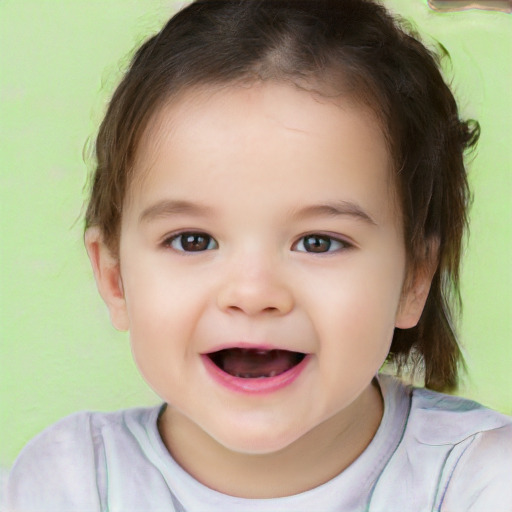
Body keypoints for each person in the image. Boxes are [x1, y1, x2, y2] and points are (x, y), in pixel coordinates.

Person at [6, 0, 512, 510]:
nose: (253, 293)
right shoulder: (70, 482)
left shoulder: (480, 479)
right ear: (115, 280)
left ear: (414, 279)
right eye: (192, 240)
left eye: (319, 242)